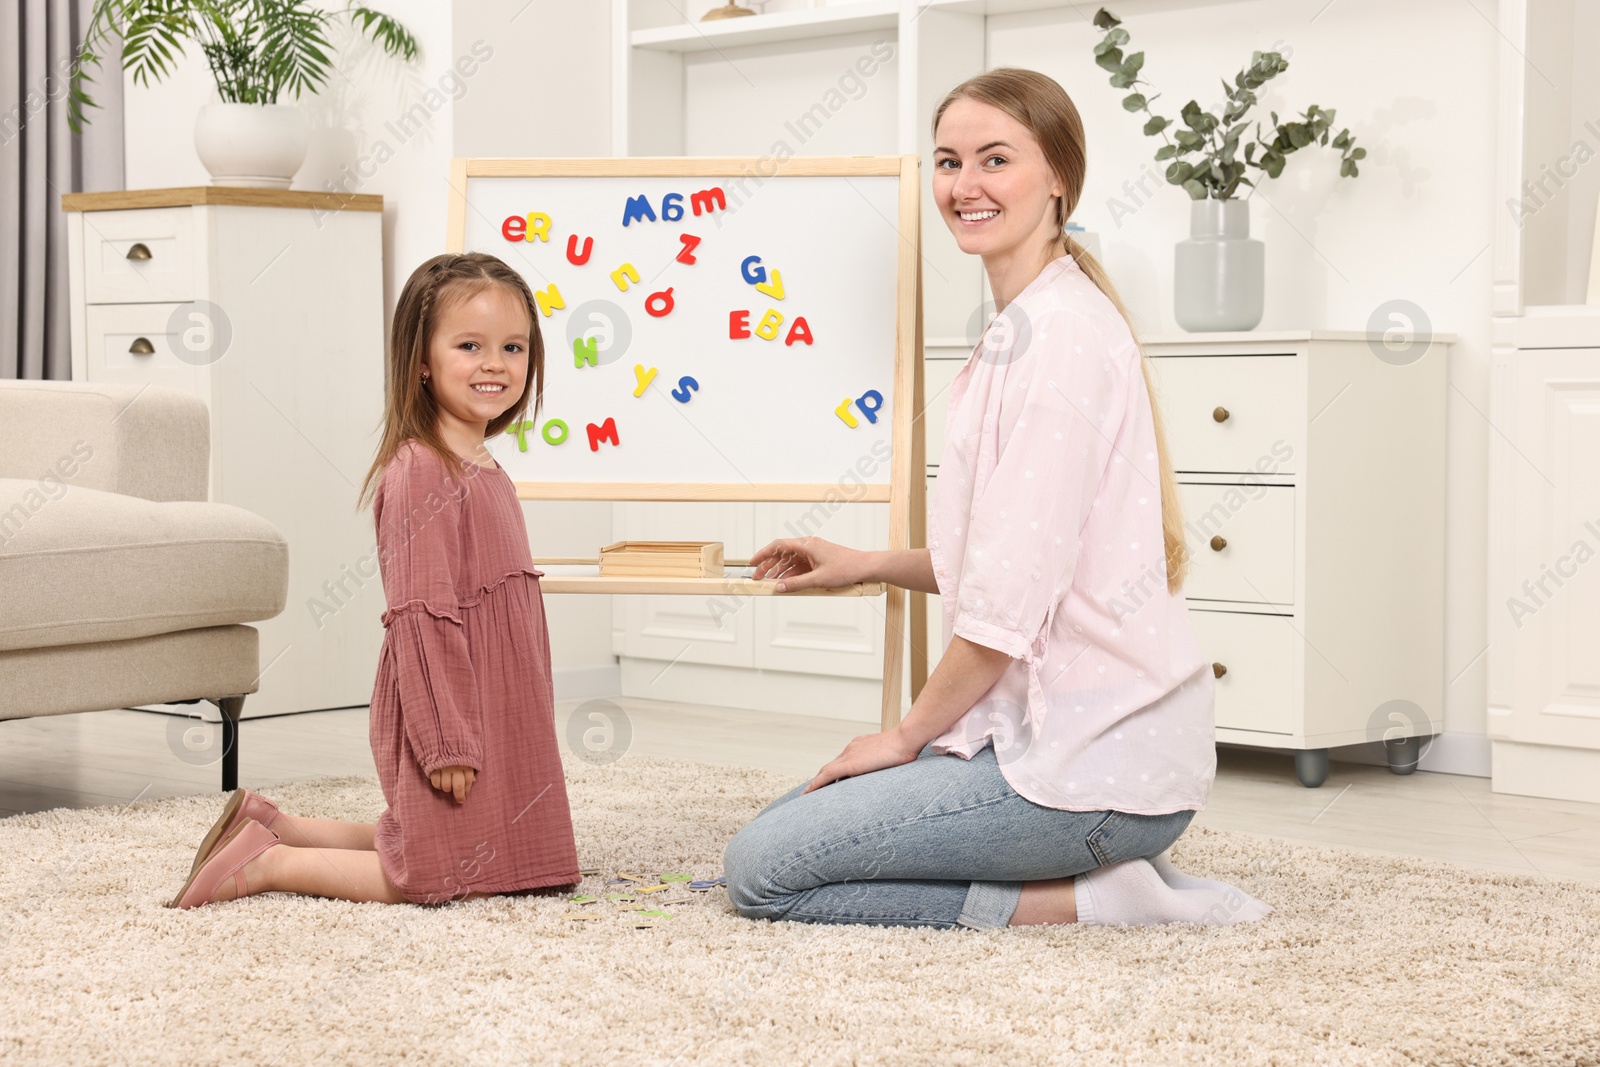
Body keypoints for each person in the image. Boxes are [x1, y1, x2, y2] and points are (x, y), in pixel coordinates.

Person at [724, 68, 1270, 929]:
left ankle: (1106, 899)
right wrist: (865, 562)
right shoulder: (1021, 327)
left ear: (1058, 175)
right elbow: (1004, 566)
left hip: (1092, 775)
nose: (964, 186)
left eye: (994, 159)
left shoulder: (1060, 342)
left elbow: (1000, 615)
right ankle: (1082, 876)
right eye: (948, 161)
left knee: (763, 871)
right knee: (786, 830)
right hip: (1043, 749)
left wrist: (901, 738)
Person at [168, 252, 581, 909]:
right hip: (447, 702)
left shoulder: (484, 463)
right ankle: (269, 862)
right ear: (421, 359)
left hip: (496, 700)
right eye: (469, 345)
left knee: (497, 847)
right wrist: (447, 735)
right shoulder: (422, 470)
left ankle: (278, 824)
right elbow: (422, 612)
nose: (495, 363)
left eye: (513, 346)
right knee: (432, 870)